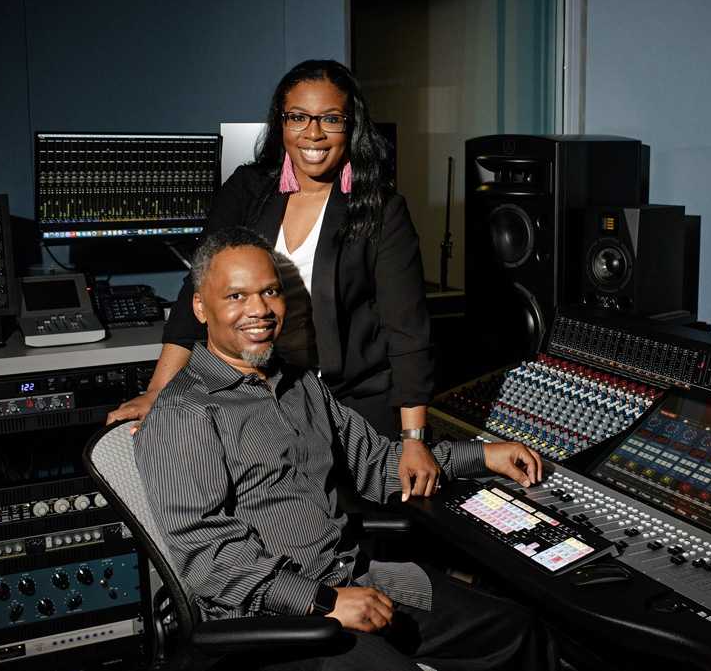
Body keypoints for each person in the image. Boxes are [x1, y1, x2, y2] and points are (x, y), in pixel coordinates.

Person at [134, 227, 555, 671]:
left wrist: (482, 455)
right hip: (279, 619)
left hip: (354, 579)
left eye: (269, 291)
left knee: (517, 629)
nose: (258, 310)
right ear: (201, 307)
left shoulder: (298, 385)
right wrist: (323, 601)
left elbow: (377, 465)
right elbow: (207, 559)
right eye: (236, 297)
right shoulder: (184, 412)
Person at [109, 59, 442, 497]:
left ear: (352, 125)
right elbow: (200, 293)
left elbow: (407, 332)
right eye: (298, 117)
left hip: (352, 401)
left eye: (331, 119)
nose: (313, 134)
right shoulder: (248, 190)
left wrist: (413, 441)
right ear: (281, 122)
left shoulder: (380, 209)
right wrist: (159, 392)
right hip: (264, 395)